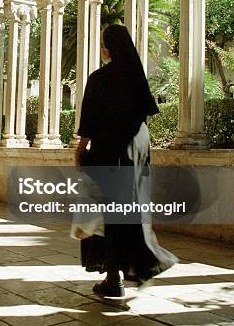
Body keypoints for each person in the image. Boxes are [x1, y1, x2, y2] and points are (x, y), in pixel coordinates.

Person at [75, 24, 177, 297]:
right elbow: (144, 114)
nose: (101, 48)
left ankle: (113, 277)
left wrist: (81, 149)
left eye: (102, 43)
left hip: (110, 149)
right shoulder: (136, 77)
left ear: (108, 48)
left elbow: (90, 121)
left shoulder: (100, 78)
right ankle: (140, 263)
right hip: (138, 147)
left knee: (109, 213)